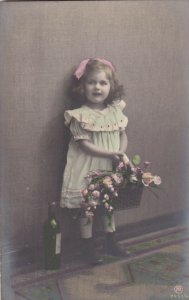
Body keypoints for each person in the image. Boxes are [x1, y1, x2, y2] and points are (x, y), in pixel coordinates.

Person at [60, 58, 130, 265]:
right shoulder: (79, 115)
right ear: (82, 87)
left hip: (109, 165)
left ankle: (110, 241)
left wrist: (120, 154)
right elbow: (84, 145)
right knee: (88, 205)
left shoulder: (114, 112)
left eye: (103, 83)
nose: (97, 87)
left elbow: (122, 135)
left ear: (111, 87)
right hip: (89, 165)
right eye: (91, 82)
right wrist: (109, 154)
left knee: (109, 203)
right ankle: (87, 246)